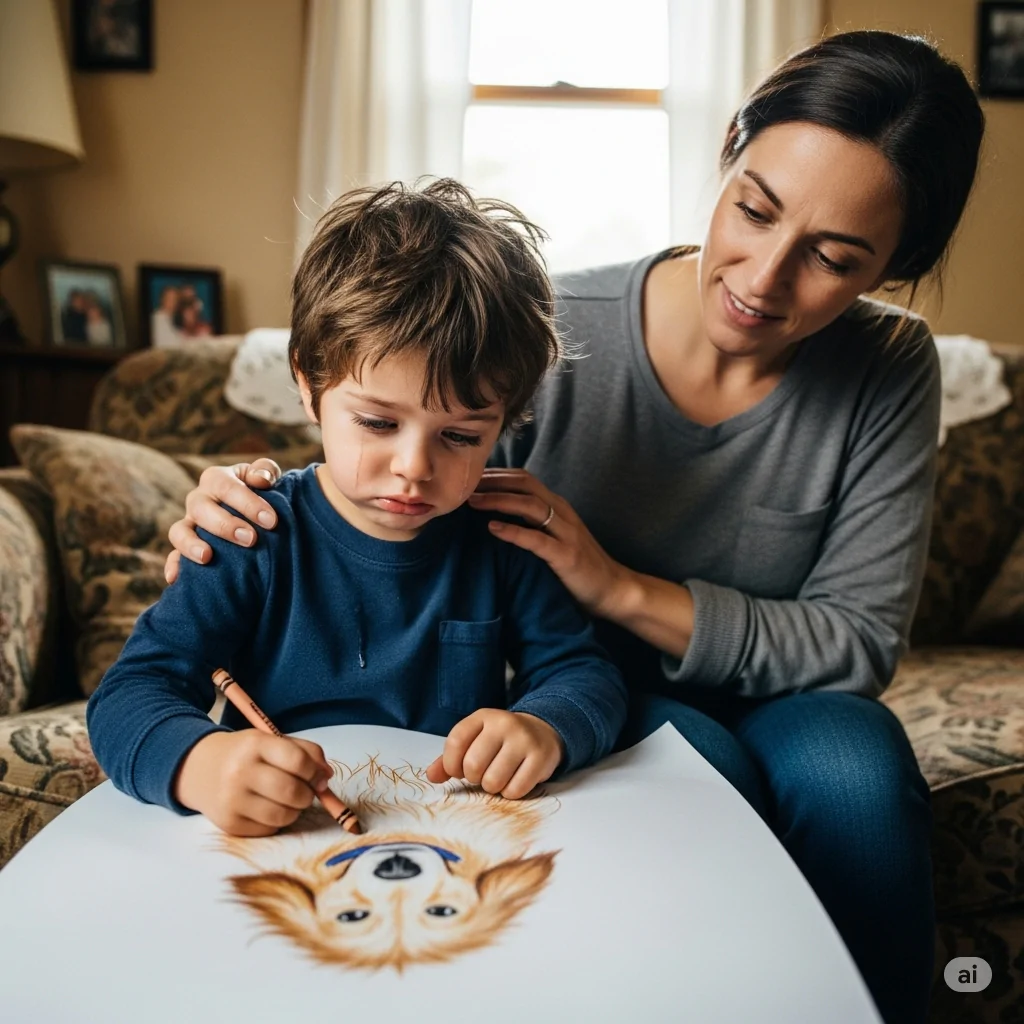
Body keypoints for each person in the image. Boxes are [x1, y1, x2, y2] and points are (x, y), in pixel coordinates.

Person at [165, 31, 984, 1024]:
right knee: (705, 778)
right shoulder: (549, 331)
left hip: (791, 698)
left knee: (857, 776)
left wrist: (618, 587)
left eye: (833, 257)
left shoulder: (889, 367)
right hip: (588, 687)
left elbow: (854, 642)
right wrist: (245, 503)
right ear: (729, 149)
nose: (764, 277)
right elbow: (396, 475)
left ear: (894, 265)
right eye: (754, 209)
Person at [87, 179, 627, 844]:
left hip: (451, 836)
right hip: (275, 844)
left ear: (504, 423)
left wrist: (544, 727)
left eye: (461, 436)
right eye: (377, 422)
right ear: (308, 384)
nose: (414, 467)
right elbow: (129, 694)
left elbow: (584, 674)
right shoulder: (251, 532)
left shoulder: (501, 538)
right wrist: (200, 764)